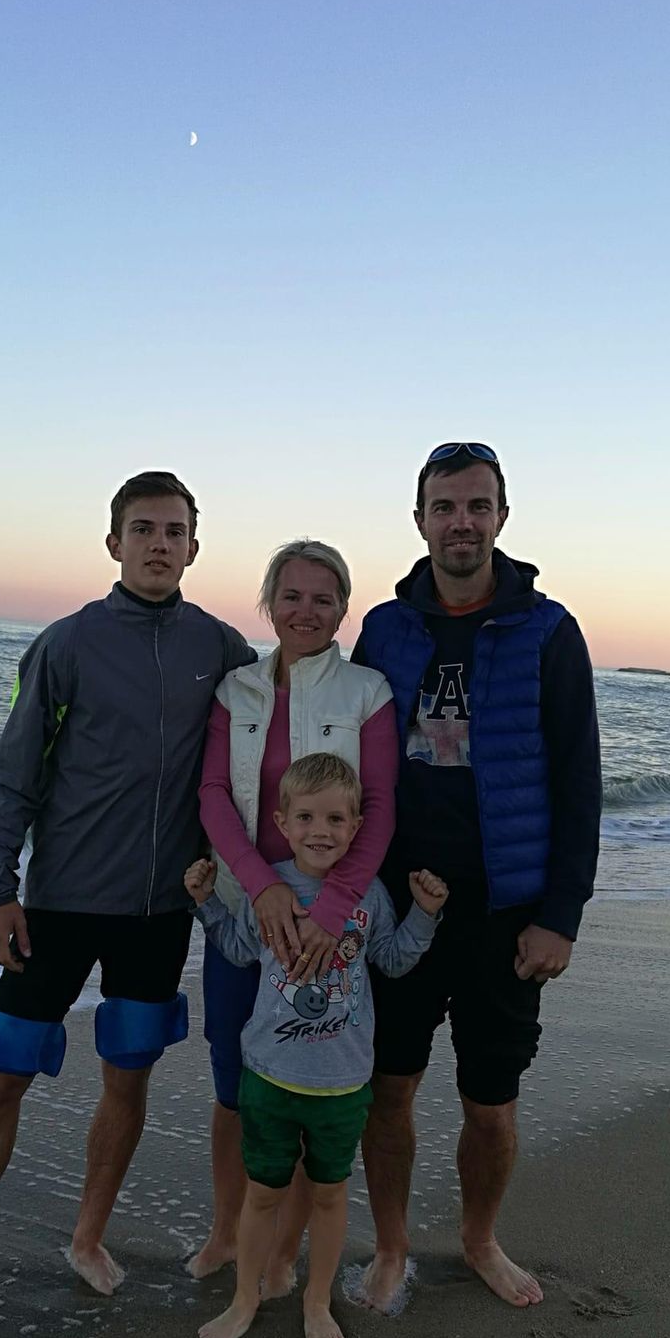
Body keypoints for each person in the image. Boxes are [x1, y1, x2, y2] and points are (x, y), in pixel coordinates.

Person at [0, 472, 256, 1328]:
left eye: (174, 531)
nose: (158, 544)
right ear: (113, 542)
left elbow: (259, 756)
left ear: (194, 547)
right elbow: (14, 775)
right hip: (59, 904)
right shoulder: (66, 644)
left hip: (160, 912)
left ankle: (88, 1238)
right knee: (2, 1075)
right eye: (143, 529)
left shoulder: (221, 649)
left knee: (128, 1075)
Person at [353, 442, 601, 1312]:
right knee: (389, 1090)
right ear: (419, 519)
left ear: (501, 516)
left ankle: (479, 1239)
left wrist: (560, 915)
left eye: (477, 506)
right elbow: (348, 754)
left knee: (490, 1105)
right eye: (445, 507)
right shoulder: (385, 628)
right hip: (398, 906)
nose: (461, 522)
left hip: (506, 911)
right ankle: (391, 1247)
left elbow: (578, 780)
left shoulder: (549, 631)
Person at [186, 541, 398, 1287]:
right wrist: (260, 886)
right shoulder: (236, 689)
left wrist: (332, 909)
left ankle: (281, 1255)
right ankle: (226, 1234)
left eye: (323, 599)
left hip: (329, 926)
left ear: (343, 610)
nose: (306, 611)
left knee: (311, 1088)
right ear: (269, 602)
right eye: (291, 596)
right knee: (233, 1085)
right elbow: (213, 794)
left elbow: (378, 808)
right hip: (250, 911)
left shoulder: (367, 692)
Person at [184, 753, 447, 1338]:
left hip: (343, 1084)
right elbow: (237, 948)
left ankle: (317, 1300)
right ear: (281, 822)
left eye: (335, 819)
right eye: (305, 817)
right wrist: (206, 902)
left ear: (357, 827)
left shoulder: (369, 895)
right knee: (262, 1194)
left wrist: (425, 914)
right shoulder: (269, 890)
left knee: (330, 1194)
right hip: (269, 1078)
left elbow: (393, 960)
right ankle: (245, 1299)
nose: (320, 831)